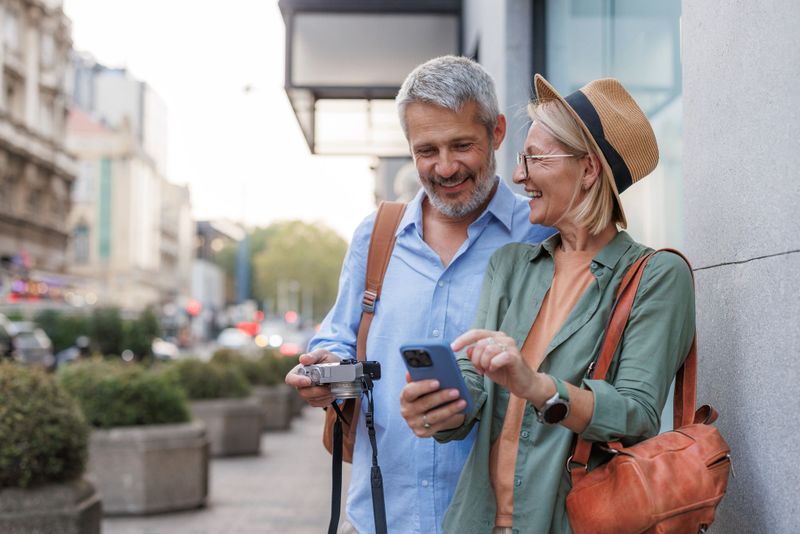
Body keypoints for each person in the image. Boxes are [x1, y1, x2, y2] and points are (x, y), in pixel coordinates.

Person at [399, 74, 696, 533]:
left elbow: (635, 414)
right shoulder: (512, 265)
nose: (518, 176)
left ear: (589, 170)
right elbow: (476, 386)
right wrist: (441, 404)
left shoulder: (656, 276)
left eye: (534, 159)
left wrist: (536, 385)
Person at [285, 56, 554, 534]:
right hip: (381, 518)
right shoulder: (376, 236)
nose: (445, 167)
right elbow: (341, 341)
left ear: (497, 133)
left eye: (461, 145)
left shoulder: (539, 237)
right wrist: (324, 372)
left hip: (497, 521)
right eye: (426, 150)